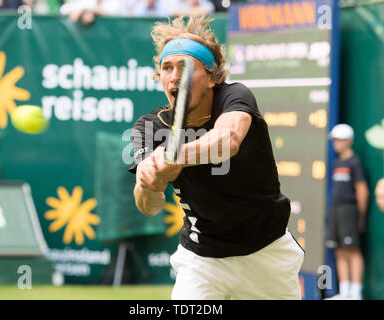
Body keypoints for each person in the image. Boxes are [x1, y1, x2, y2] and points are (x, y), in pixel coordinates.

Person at [128, 15, 304, 300]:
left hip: (267, 252)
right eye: (167, 68)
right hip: (202, 259)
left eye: (184, 68)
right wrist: (149, 183)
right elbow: (149, 207)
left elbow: (227, 140)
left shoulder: (235, 96)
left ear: (211, 77)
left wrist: (175, 157)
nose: (174, 77)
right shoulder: (150, 127)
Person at [326, 123, 369, 300]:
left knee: (352, 250)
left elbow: (362, 190)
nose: (336, 143)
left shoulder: (354, 162)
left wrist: (361, 216)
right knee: (339, 250)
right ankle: (344, 293)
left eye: (339, 140)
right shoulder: (337, 162)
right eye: (335, 140)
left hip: (349, 211)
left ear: (348, 141)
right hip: (336, 210)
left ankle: (356, 293)